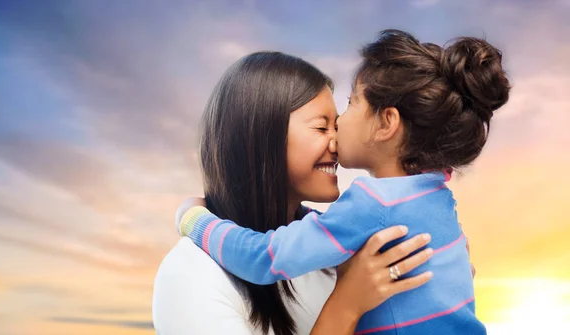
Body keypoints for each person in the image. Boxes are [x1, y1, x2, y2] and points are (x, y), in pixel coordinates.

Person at [177, 30, 508, 334]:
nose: (336, 135)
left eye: (351, 104)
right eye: (322, 127)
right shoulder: (436, 193)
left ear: (386, 124)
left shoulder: (372, 202)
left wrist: (196, 220)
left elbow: (265, 258)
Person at [153, 50, 438, 335]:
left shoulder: (338, 256)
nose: (337, 143)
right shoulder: (191, 273)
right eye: (321, 127)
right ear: (262, 137)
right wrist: (347, 304)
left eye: (336, 126)